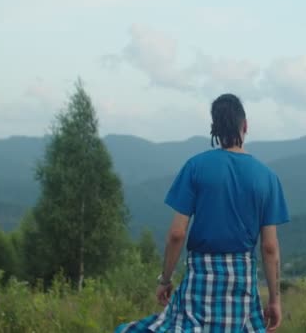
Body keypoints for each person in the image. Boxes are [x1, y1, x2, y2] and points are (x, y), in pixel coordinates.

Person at [116, 94, 290, 333]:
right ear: (246, 125)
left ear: (214, 129)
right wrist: (274, 299)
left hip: (199, 284)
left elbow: (177, 233)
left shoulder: (195, 166)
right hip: (242, 289)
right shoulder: (268, 178)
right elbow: (270, 247)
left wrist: (165, 280)